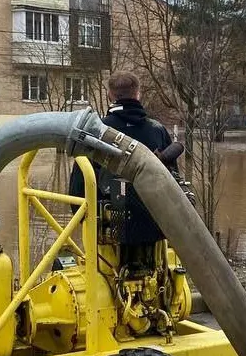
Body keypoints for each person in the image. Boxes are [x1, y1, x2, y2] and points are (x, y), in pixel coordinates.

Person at [68, 72, 178, 254]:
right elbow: (174, 182)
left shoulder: (95, 133)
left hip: (109, 232)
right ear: (138, 94)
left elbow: (78, 189)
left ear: (109, 95)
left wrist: (88, 222)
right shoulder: (157, 130)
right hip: (155, 227)